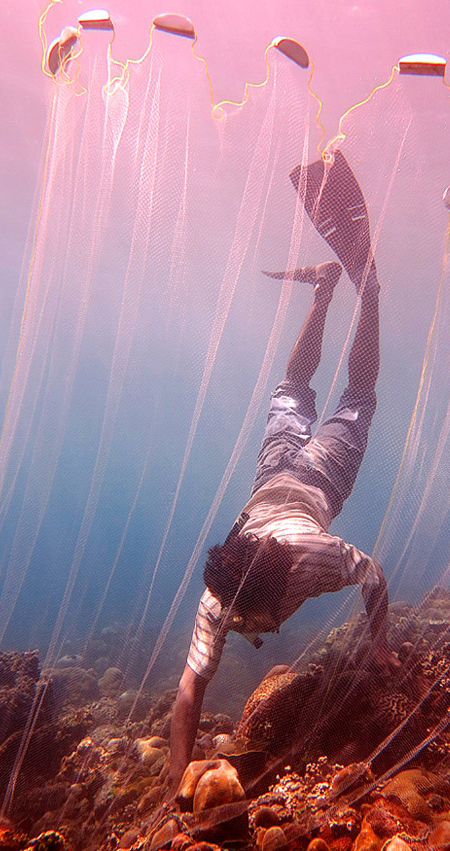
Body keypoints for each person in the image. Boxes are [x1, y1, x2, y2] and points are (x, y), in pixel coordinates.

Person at [168, 151, 400, 795]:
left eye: (260, 619)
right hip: (274, 477)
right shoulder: (219, 600)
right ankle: (330, 285)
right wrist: (177, 781)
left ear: (286, 581)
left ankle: (364, 287)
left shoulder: (313, 559)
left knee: (357, 394)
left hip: (314, 480)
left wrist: (379, 647)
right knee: (297, 386)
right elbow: (189, 694)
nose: (254, 628)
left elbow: (372, 576)